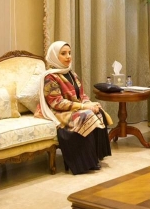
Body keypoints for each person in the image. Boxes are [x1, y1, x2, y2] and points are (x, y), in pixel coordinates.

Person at [36, 41, 112, 175]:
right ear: (54, 56)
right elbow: (57, 103)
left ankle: (95, 157)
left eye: (69, 53)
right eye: (63, 53)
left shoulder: (72, 74)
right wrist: (84, 106)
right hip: (58, 111)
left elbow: (82, 95)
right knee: (86, 116)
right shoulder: (50, 77)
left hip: (74, 107)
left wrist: (90, 104)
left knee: (98, 111)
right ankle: (84, 163)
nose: (68, 56)